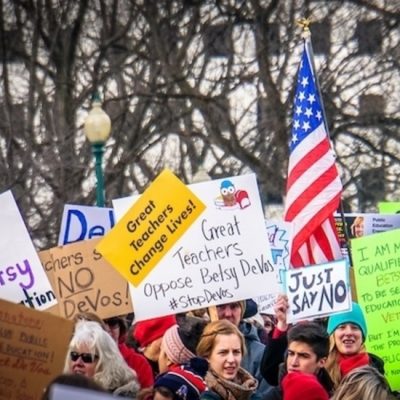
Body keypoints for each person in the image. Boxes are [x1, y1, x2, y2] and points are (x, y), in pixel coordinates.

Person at [260, 294, 333, 400]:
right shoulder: (272, 397)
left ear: (322, 362)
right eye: (291, 353)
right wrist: (282, 323)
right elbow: (269, 370)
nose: (293, 362)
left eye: (304, 356)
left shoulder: (334, 393)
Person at [64, 320, 140, 397]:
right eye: (74, 356)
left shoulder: (120, 396)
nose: (78, 362)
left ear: (106, 361)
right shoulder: (64, 392)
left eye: (87, 358)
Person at [216, 300, 270, 396]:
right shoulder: (192, 348)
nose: (228, 314)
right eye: (220, 306)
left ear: (242, 311)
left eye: (234, 306)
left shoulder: (261, 354)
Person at [325, 302, 384, 389]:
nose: (349, 332)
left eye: (355, 327)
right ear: (332, 336)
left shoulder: (377, 369)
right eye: (342, 327)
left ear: (362, 336)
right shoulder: (321, 372)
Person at [196, 319, 258, 400]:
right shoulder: (202, 393)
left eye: (236, 352)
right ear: (207, 356)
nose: (231, 359)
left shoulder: (251, 391)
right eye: (223, 352)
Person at [104, 315, 154, 389]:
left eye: (113, 322)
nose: (107, 330)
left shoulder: (138, 363)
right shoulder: (82, 363)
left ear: (120, 326)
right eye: (99, 324)